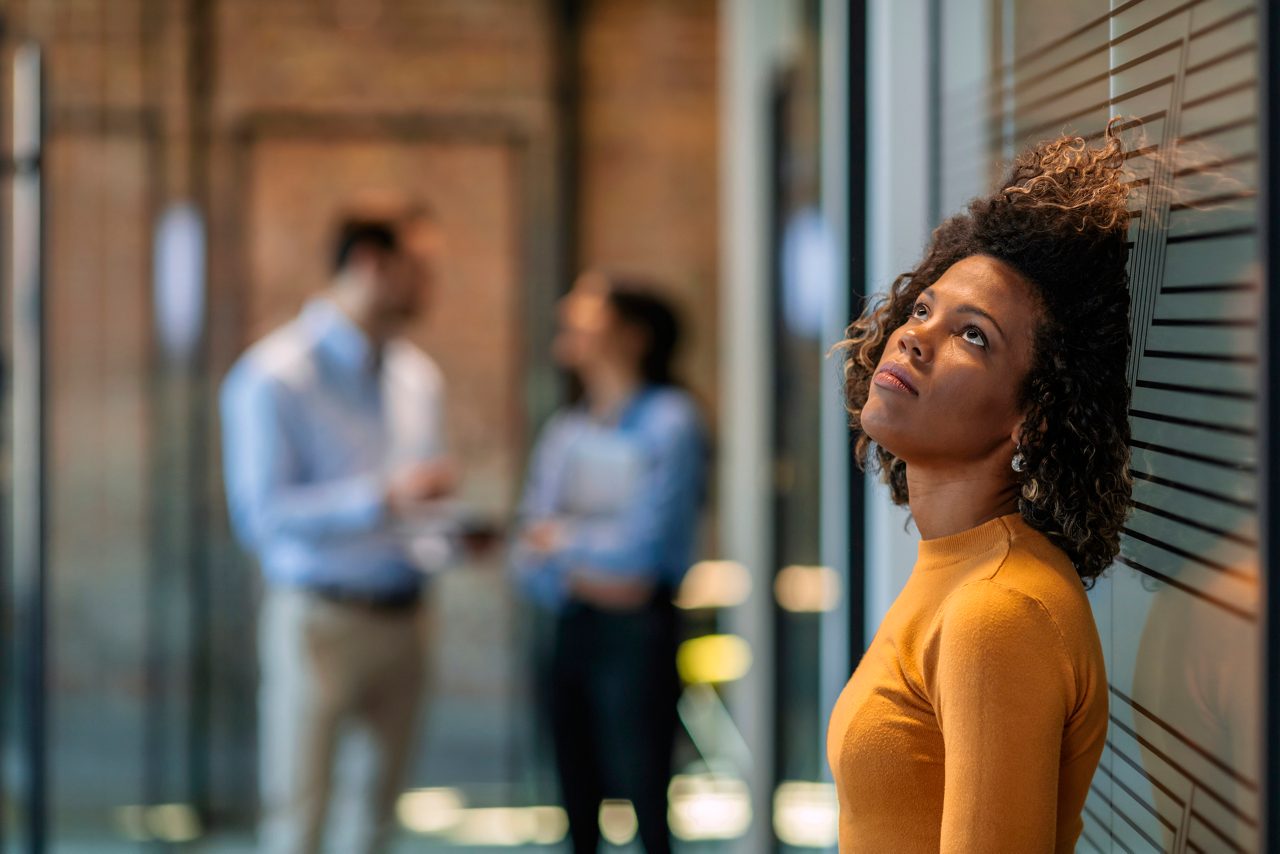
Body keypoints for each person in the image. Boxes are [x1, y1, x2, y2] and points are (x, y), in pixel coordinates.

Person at [827, 122, 1135, 851]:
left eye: (974, 336)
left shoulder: (997, 610)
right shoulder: (963, 569)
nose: (913, 335)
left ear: (1032, 419)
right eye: (925, 308)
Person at [221, 205, 456, 854]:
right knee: (301, 819)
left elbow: (418, 507)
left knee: (376, 823)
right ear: (371, 265)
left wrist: (451, 536)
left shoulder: (417, 376)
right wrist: (379, 499)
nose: (432, 287)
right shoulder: (274, 377)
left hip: (407, 617)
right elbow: (262, 517)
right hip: (320, 622)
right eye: (421, 269)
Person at [511, 273, 708, 854]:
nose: (567, 317)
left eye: (586, 312)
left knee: (647, 796)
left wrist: (564, 543)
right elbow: (528, 553)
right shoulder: (566, 430)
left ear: (632, 335)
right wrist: (594, 562)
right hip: (574, 628)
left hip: (641, 632)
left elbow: (645, 555)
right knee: (575, 801)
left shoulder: (671, 422)